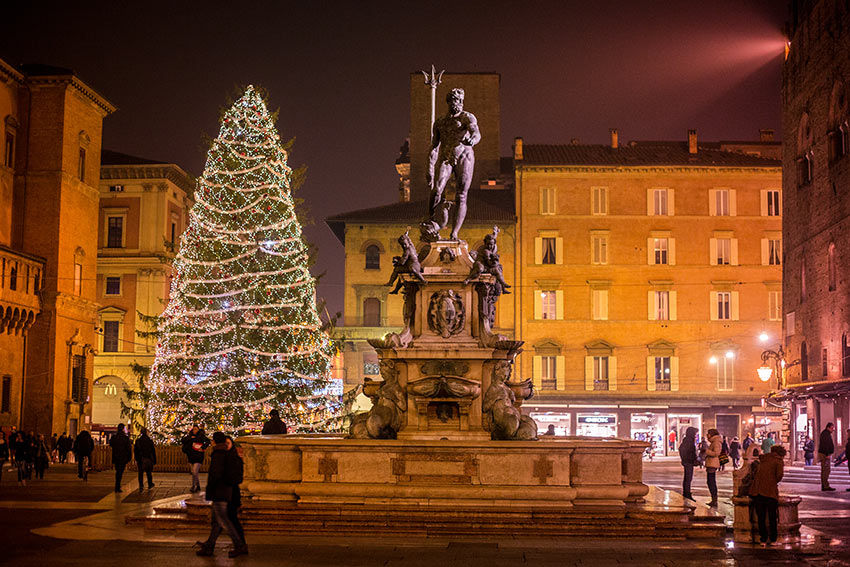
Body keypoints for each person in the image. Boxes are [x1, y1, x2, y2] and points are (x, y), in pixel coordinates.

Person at [426, 88, 481, 241]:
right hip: (446, 156)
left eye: (461, 101)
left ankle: (454, 233)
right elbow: (434, 147)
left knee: (461, 195)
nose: (459, 104)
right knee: (437, 189)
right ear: (449, 102)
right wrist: (429, 168)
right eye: (456, 101)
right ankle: (429, 220)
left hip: (465, 156)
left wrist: (473, 139)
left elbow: (476, 131)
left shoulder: (466, 117)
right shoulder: (440, 122)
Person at [196, 432, 247, 557]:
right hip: (223, 491)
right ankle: (210, 545)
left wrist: (211, 488)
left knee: (224, 520)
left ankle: (239, 545)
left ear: (214, 441)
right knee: (216, 521)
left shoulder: (219, 454)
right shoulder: (225, 453)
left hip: (219, 492)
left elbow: (216, 474)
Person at [749, 444, 786, 547]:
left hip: (757, 491)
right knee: (772, 517)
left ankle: (763, 539)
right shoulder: (778, 461)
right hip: (770, 492)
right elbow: (779, 476)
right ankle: (773, 539)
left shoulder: (763, 459)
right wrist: (772, 482)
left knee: (761, 517)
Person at [225, 436, 246, 548]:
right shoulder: (223, 457)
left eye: (228, 443)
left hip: (231, 494)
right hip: (223, 494)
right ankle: (210, 543)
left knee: (230, 519)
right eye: (225, 443)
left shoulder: (234, 458)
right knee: (220, 521)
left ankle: (240, 543)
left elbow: (238, 478)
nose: (226, 445)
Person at [182, 425, 210, 493]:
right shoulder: (189, 436)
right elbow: (183, 440)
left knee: (194, 471)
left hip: (198, 457)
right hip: (190, 457)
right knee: (194, 472)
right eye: (194, 429)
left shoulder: (201, 436)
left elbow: (208, 441)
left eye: (196, 429)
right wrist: (190, 438)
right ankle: (198, 485)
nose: (195, 431)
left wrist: (203, 447)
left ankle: (194, 486)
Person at [109, 424, 132, 492]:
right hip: (123, 457)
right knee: (120, 472)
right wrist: (129, 457)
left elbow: (111, 444)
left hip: (116, 457)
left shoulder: (114, 437)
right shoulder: (125, 438)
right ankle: (117, 486)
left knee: (118, 471)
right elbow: (128, 448)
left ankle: (117, 485)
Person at [704, 428, 723, 507]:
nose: (707, 435)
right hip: (711, 463)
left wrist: (707, 451)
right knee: (710, 481)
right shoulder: (714, 442)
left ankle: (714, 500)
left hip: (713, 464)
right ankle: (714, 500)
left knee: (711, 482)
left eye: (708, 434)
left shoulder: (716, 442)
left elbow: (716, 453)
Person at [679, 426, 699, 500]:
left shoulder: (688, 440)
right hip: (688, 462)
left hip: (688, 461)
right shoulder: (688, 441)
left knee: (688, 478)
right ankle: (687, 494)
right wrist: (686, 459)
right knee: (688, 478)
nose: (696, 435)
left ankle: (687, 493)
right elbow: (684, 450)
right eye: (695, 433)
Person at [818, 422, 835, 491]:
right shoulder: (825, 434)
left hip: (825, 454)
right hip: (824, 454)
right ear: (828, 427)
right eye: (832, 428)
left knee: (826, 470)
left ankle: (825, 485)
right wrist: (827, 454)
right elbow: (825, 445)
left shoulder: (826, 434)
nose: (833, 430)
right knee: (826, 470)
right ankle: (825, 485)